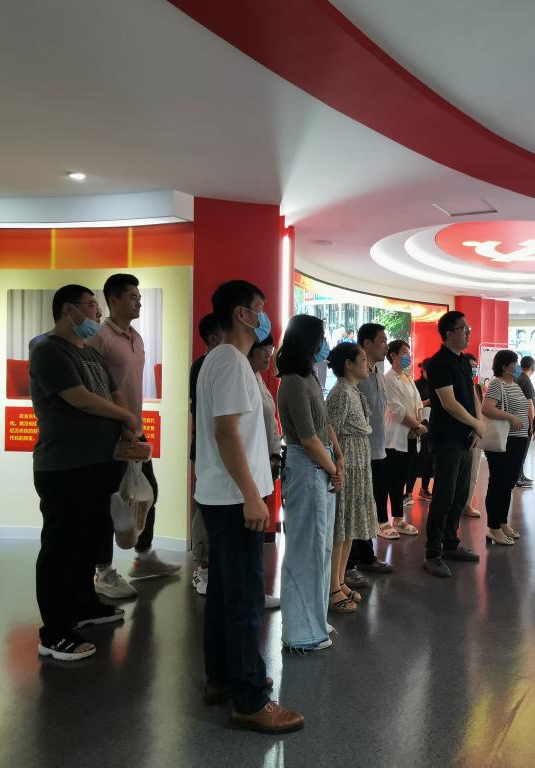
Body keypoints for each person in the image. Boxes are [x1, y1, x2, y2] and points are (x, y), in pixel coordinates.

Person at [194, 280, 303, 733]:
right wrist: (252, 495)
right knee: (243, 597)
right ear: (242, 314)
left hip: (223, 495)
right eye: (260, 309)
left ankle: (223, 677)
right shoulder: (231, 362)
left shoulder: (221, 360)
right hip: (234, 498)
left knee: (225, 592)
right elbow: (227, 434)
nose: (264, 317)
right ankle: (251, 699)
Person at [31, 284, 138, 661]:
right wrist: (126, 417)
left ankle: (84, 606)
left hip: (99, 462)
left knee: (88, 542)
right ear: (68, 310)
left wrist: (126, 421)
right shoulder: (48, 351)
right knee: (61, 548)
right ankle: (55, 632)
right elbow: (80, 398)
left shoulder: (89, 352)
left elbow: (113, 391)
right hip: (65, 466)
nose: (97, 312)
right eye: (90, 305)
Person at [87, 274, 180, 599]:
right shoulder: (100, 337)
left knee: (148, 492)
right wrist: (118, 421)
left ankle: (143, 557)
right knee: (109, 502)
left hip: (134, 431)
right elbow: (92, 388)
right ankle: (103, 570)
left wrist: (133, 425)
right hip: (107, 434)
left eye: (140, 297)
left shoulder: (136, 337)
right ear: (113, 300)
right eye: (132, 297)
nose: (139, 302)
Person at [276, 314, 343, 652]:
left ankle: (316, 620)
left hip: (322, 464)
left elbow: (324, 424)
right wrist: (333, 467)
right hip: (307, 467)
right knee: (306, 549)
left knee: (322, 548)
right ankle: (301, 632)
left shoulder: (310, 377)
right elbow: (306, 437)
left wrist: (338, 459)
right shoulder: (291, 382)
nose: (325, 344)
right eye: (321, 337)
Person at [423, 311, 484, 578]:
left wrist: (477, 425)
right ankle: (432, 553)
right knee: (444, 496)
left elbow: (472, 394)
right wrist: (476, 423)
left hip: (465, 438)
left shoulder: (463, 361)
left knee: (460, 495)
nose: (468, 332)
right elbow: (449, 403)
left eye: (468, 328)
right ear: (449, 333)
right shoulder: (438, 363)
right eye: (463, 328)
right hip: (446, 439)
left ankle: (450, 543)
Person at [325, 343, 379, 615]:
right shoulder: (341, 393)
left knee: (348, 527)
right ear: (348, 364)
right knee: (340, 528)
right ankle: (331, 587)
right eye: (363, 359)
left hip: (358, 463)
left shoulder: (353, 391)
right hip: (347, 463)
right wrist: (338, 457)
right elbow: (329, 428)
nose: (367, 364)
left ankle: (339, 580)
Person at [345, 323, 396, 583]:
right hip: (359, 452)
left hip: (378, 450)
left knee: (369, 506)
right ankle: (349, 565)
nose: (386, 346)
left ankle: (366, 556)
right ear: (366, 344)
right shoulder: (355, 376)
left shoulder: (376, 371)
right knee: (356, 507)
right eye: (382, 341)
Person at [190, 313, 223, 595]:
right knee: (204, 509)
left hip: (216, 448)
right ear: (213, 338)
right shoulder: (203, 366)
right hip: (206, 449)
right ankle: (201, 569)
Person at [481, 350, 530, 545]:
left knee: (508, 483)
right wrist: (510, 417)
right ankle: (493, 527)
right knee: (498, 483)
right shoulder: (496, 384)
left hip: (518, 440)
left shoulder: (515, 385)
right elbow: (486, 408)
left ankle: (502, 523)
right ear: (504, 366)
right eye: (514, 363)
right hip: (504, 441)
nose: (517, 366)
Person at [249, 335, 283, 609]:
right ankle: (250, 594)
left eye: (270, 349)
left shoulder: (258, 379)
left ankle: (254, 591)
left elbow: (270, 422)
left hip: (264, 463)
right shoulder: (244, 379)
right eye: (262, 348)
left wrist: (274, 455)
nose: (267, 354)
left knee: (256, 536)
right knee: (249, 535)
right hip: (252, 466)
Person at [383, 339, 425, 536]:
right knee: (392, 479)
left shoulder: (407, 377)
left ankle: (398, 518)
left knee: (403, 478)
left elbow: (417, 403)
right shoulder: (389, 378)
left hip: (412, 435)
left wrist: (418, 423)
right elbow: (396, 409)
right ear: (393, 355)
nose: (408, 356)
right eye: (404, 352)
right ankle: (385, 520)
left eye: (409, 352)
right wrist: (416, 425)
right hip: (395, 437)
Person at [462, 351, 484, 518]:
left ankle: (467, 504)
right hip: (459, 434)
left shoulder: (476, 387)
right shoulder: (457, 385)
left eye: (476, 367)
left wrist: (479, 430)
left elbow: (480, 410)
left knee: (473, 471)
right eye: (471, 366)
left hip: (475, 434)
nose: (474, 370)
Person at [409, 359, 434, 499]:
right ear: (423, 370)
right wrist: (427, 402)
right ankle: (408, 492)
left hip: (433, 426)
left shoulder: (436, 384)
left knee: (429, 460)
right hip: (419, 425)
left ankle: (424, 488)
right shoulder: (416, 385)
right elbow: (413, 405)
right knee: (417, 459)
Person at [515, 355, 535, 487]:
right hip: (525, 421)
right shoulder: (526, 380)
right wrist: (533, 423)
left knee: (520, 450)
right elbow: (530, 404)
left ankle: (520, 474)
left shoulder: (518, 378)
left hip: (518, 420)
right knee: (522, 451)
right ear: (533, 367)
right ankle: (517, 476)